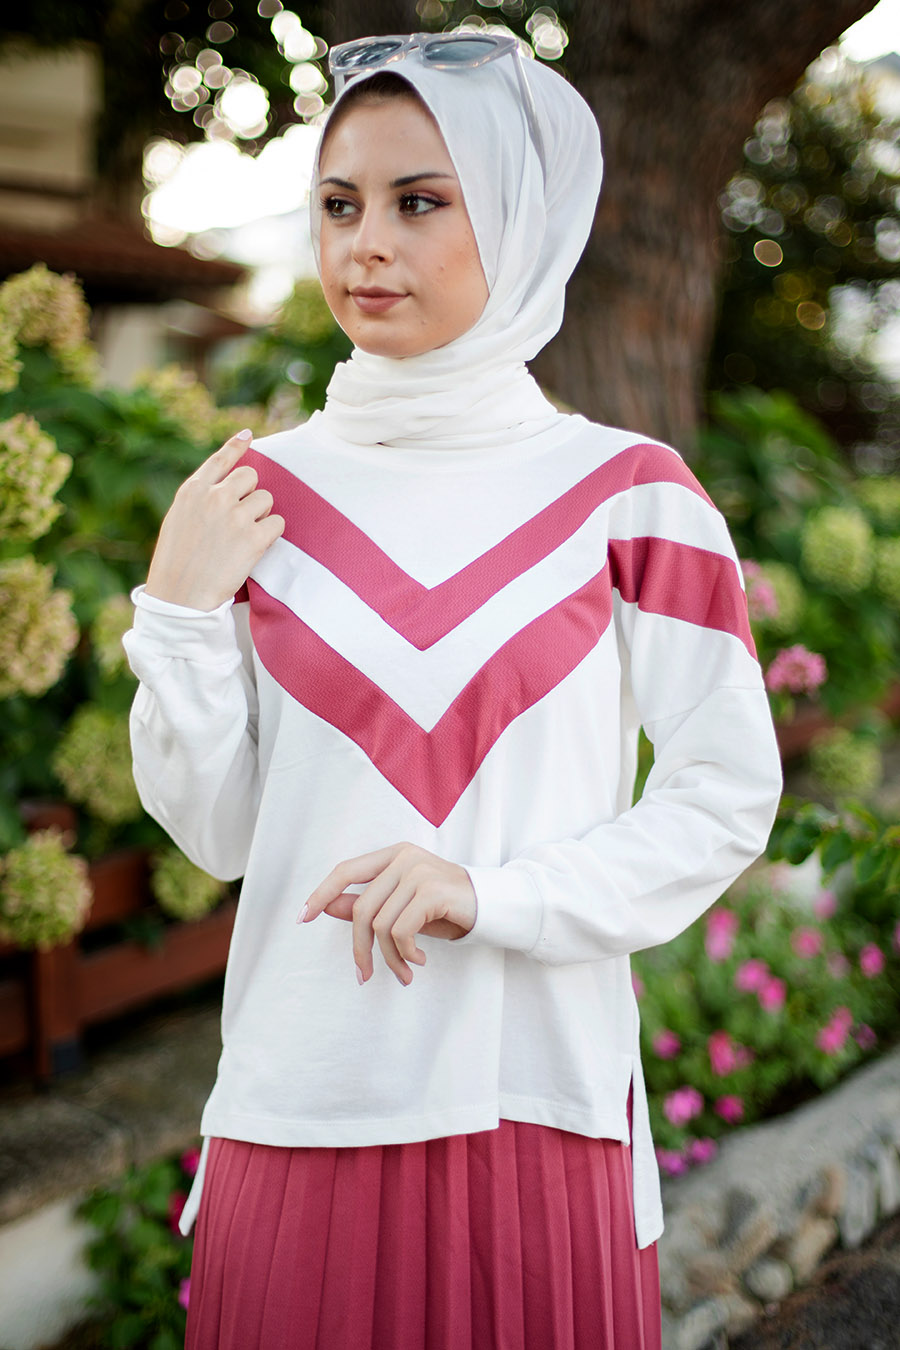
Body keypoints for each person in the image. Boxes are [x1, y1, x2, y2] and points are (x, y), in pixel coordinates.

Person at [124, 32, 783, 1350]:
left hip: (539, 1110)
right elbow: (223, 834)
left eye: (419, 201)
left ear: (522, 221)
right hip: (296, 1106)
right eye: (340, 204)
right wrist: (178, 613)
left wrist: (493, 896)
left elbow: (724, 796)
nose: (367, 245)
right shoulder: (255, 498)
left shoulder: (630, 495)